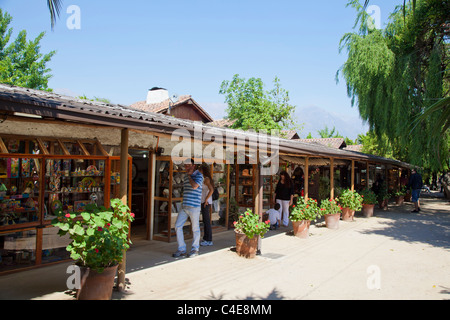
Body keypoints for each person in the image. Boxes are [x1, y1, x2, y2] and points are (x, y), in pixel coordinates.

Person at [172, 158, 203, 258]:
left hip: (194, 206)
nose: (187, 167)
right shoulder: (185, 176)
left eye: (189, 165)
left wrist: (190, 176)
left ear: (194, 166)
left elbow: (194, 186)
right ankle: (181, 249)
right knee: (177, 226)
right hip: (184, 206)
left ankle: (195, 249)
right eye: (185, 166)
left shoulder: (199, 175)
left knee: (195, 228)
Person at [199, 163, 214, 246]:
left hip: (206, 202)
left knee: (206, 221)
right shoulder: (204, 179)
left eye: (200, 170)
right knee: (205, 220)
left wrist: (206, 200)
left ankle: (208, 239)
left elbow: (211, 190)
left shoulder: (207, 179)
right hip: (204, 201)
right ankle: (206, 238)